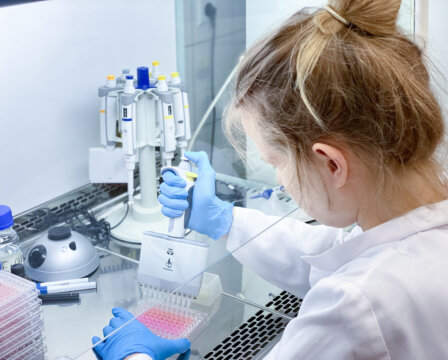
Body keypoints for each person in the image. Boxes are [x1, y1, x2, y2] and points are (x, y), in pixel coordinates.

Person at [92, 0, 448, 358]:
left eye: (275, 162)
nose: (280, 182)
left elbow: (354, 287)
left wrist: (131, 356)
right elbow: (332, 253)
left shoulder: (354, 306)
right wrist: (226, 220)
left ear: (331, 164)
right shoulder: (418, 225)